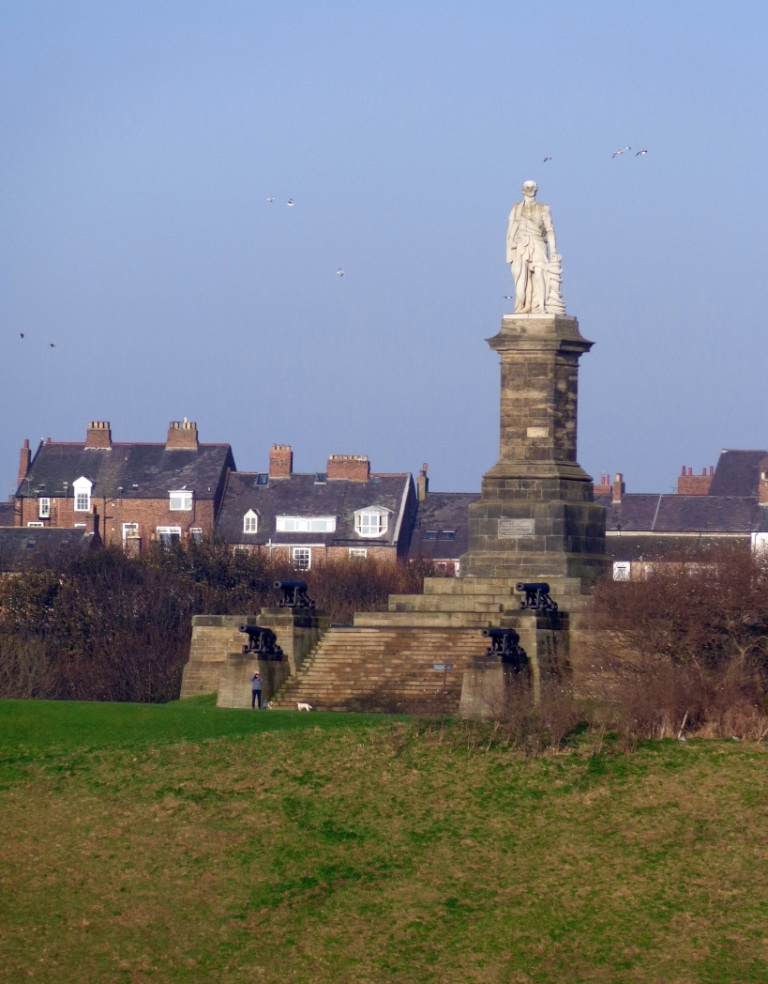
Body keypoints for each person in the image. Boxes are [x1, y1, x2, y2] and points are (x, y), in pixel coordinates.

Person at [506, 180, 562, 314]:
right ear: (522, 190)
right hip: (521, 245)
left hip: (538, 243)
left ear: (536, 189)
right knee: (522, 277)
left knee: (539, 274)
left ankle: (541, 306)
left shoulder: (543, 207)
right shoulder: (517, 207)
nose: (530, 189)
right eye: (527, 187)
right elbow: (511, 229)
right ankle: (524, 306)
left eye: (532, 187)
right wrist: (510, 245)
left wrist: (554, 251)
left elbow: (549, 230)